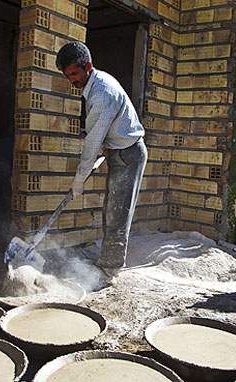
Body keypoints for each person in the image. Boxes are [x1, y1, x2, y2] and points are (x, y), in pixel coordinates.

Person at [56, 42, 147, 283]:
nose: (71, 81)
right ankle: (108, 261)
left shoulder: (101, 94)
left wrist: (79, 180)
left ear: (87, 66)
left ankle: (110, 270)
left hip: (129, 154)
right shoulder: (96, 84)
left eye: (74, 74)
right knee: (111, 209)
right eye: (67, 76)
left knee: (118, 213)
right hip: (118, 151)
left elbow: (92, 145)